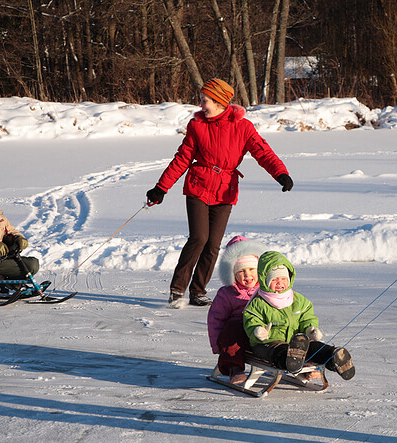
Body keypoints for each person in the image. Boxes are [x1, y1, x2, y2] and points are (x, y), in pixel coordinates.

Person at [145, 78, 293, 308]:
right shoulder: (197, 126)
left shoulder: (243, 127)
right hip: (198, 185)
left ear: (220, 101)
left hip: (225, 190)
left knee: (213, 244)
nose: (201, 105)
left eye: (205, 101)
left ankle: (198, 291)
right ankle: (177, 288)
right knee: (199, 238)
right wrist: (161, 188)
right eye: (202, 100)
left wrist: (280, 173)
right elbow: (182, 159)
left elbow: (263, 152)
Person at [243, 251, 355, 381]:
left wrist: (310, 329)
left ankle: (334, 357)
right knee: (280, 352)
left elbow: (307, 317)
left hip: (298, 343)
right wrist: (258, 330)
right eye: (275, 279)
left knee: (313, 347)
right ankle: (291, 361)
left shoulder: (298, 300)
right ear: (265, 280)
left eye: (284, 279)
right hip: (268, 343)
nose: (280, 283)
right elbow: (251, 320)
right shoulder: (258, 302)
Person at [207, 235, 269, 385]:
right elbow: (215, 319)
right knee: (233, 327)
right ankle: (233, 367)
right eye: (241, 271)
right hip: (239, 338)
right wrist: (218, 345)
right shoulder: (227, 294)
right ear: (233, 274)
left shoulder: (266, 290)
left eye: (251, 269)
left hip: (264, 335)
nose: (247, 275)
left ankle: (300, 363)